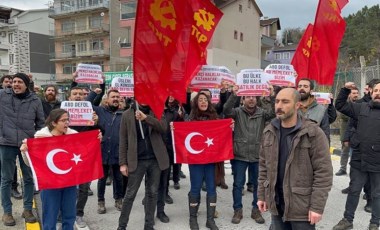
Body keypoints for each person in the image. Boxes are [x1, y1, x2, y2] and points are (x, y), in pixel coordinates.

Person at [257, 87, 333, 230]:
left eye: (285, 102)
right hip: (277, 205)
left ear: (297, 105)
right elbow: (263, 167)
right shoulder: (269, 131)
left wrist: (316, 207)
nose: (279, 106)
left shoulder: (313, 133)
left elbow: (323, 173)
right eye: (277, 101)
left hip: (301, 209)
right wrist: (262, 195)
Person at [224, 85, 275, 225]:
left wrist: (271, 96)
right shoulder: (237, 112)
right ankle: (237, 210)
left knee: (259, 185)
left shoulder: (263, 113)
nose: (251, 99)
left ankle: (256, 210)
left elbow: (274, 113)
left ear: (257, 99)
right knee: (238, 184)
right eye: (248, 97)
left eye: (253, 96)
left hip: (258, 155)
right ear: (243, 99)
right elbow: (226, 110)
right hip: (240, 155)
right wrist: (233, 94)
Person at [333, 80, 380, 230]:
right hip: (359, 159)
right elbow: (340, 105)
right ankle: (347, 220)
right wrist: (345, 90)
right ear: (371, 92)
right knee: (354, 190)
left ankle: (374, 223)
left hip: (378, 162)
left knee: (377, 194)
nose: (378, 93)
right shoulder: (361, 107)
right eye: (376, 90)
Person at [20, 109, 77, 230]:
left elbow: (85, 152)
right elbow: (30, 164)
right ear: (54, 123)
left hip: (69, 182)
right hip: (50, 183)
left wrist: (96, 138)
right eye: (63, 120)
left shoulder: (74, 136)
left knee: (69, 216)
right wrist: (25, 152)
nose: (67, 123)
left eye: (68, 120)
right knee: (50, 217)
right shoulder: (40, 138)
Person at [0, 73, 45, 226]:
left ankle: (27, 209)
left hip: (28, 144)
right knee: (6, 179)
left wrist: (37, 141)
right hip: (6, 142)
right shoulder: (2, 95)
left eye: (19, 82)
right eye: (14, 82)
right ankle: (7, 212)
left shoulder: (35, 100)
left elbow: (40, 123)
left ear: (27, 84)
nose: (15, 84)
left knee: (28, 177)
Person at [117, 103, 169, 230]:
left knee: (152, 193)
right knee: (130, 195)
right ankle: (122, 226)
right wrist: (123, 163)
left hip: (155, 159)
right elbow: (123, 139)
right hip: (137, 160)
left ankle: (149, 225)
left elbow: (163, 127)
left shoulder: (156, 110)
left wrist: (146, 118)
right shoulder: (127, 114)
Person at [187, 92, 220, 230]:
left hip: (211, 161)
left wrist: (229, 127)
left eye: (205, 99)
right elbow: (182, 134)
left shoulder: (215, 118)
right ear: (196, 103)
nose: (203, 102)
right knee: (195, 188)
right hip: (195, 161)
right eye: (200, 100)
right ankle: (193, 218)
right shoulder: (190, 119)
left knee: (211, 188)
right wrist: (174, 128)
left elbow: (221, 134)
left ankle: (210, 220)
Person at [0, 75, 22, 200]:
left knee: (11, 169)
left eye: (11, 81)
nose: (10, 84)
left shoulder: (18, 98)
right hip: (3, 138)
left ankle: (13, 187)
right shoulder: (1, 96)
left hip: (10, 139)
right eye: (7, 82)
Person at [335, 87, 359, 176]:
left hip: (356, 133)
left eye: (357, 93)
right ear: (349, 95)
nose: (355, 95)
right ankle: (342, 168)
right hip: (346, 131)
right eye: (353, 93)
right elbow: (343, 116)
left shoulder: (361, 104)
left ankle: (353, 170)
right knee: (345, 151)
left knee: (355, 154)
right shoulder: (345, 104)